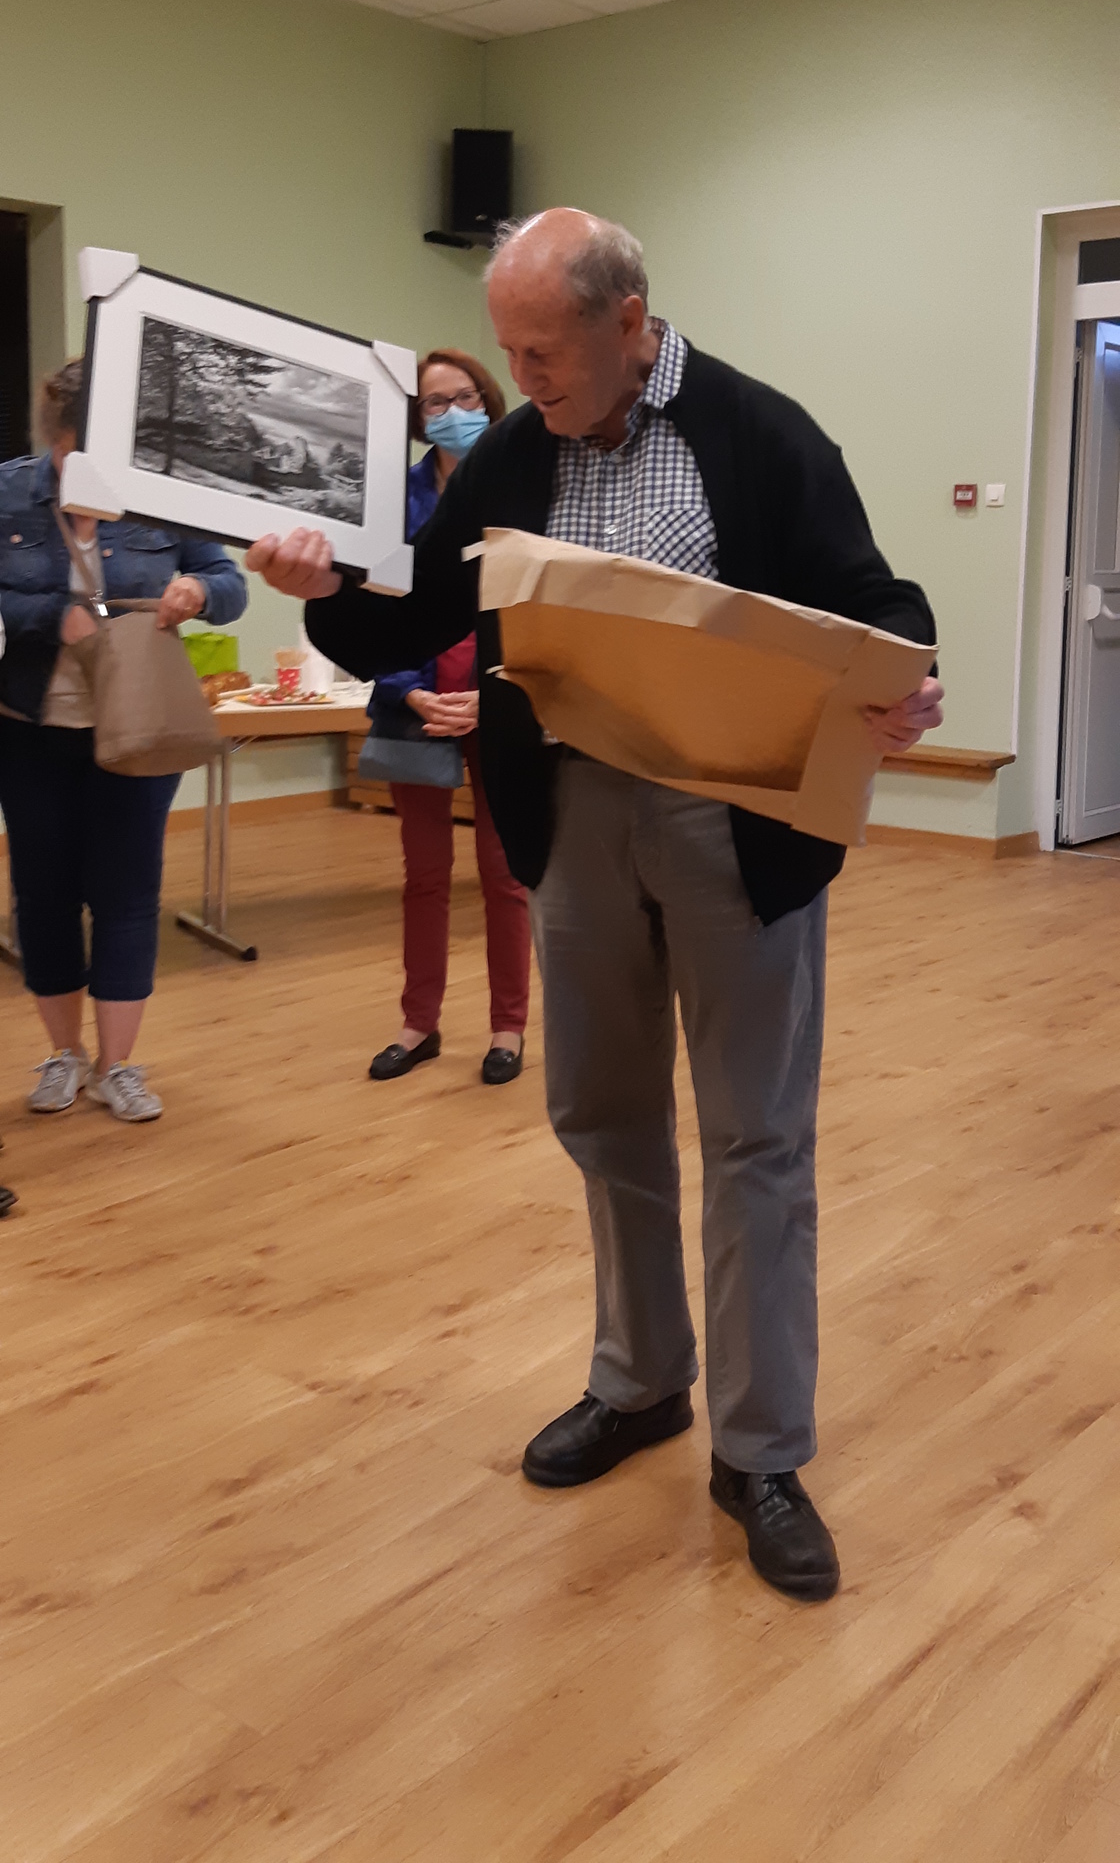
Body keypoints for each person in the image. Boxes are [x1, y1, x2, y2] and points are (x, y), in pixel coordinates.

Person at [247, 209, 942, 1603]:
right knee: (604, 1118)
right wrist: (321, 591)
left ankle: (761, 1452)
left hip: (735, 825)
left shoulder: (762, 435)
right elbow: (411, 613)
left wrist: (911, 684)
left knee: (755, 1139)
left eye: (542, 351)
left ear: (629, 323)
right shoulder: (518, 453)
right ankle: (640, 1384)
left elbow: (874, 605)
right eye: (508, 353)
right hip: (572, 819)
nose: (522, 379)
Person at [0, 361, 247, 1123]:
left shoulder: (163, 493)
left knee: (128, 893)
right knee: (43, 896)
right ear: (55, 439)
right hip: (31, 728)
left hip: (140, 725)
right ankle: (64, 1055)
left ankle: (117, 1066)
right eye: (77, 456)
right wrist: (52, 616)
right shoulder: (7, 492)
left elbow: (230, 584)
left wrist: (198, 591)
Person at [367, 348, 531, 1088]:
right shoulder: (391, 499)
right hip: (417, 707)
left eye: (465, 397)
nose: (452, 413)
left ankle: (508, 1028)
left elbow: (538, 605)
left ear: (488, 403)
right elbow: (372, 607)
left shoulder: (517, 486)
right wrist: (406, 689)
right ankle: (418, 1023)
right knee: (424, 877)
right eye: (435, 403)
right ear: (417, 416)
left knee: (505, 876)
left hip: (499, 703)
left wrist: (497, 696)